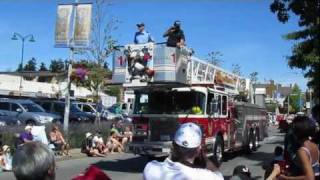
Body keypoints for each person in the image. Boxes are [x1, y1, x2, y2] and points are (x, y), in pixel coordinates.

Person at [143, 122, 224, 180]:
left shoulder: (150, 168)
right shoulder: (202, 176)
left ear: (173, 145)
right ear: (198, 150)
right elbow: (219, 176)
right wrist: (205, 159)